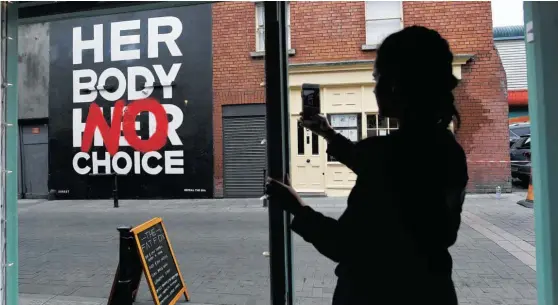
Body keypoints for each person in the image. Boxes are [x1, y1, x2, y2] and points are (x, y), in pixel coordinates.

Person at [265, 26, 469, 305]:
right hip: (433, 290)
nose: (374, 87)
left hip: (375, 293)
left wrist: (295, 207)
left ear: (395, 85)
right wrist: (328, 133)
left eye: (376, 78)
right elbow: (380, 168)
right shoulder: (446, 149)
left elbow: (344, 245)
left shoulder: (390, 154)